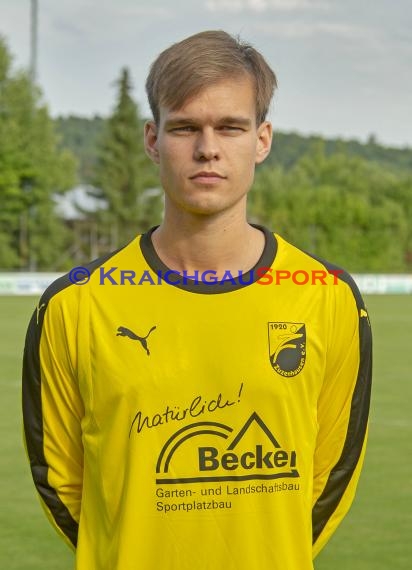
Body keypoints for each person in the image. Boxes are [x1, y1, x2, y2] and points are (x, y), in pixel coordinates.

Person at [22, 30, 372, 570]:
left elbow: (331, 474)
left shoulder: (328, 298)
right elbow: (60, 480)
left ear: (262, 140)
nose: (208, 147)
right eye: (185, 127)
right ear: (152, 140)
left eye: (230, 127)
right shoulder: (77, 304)